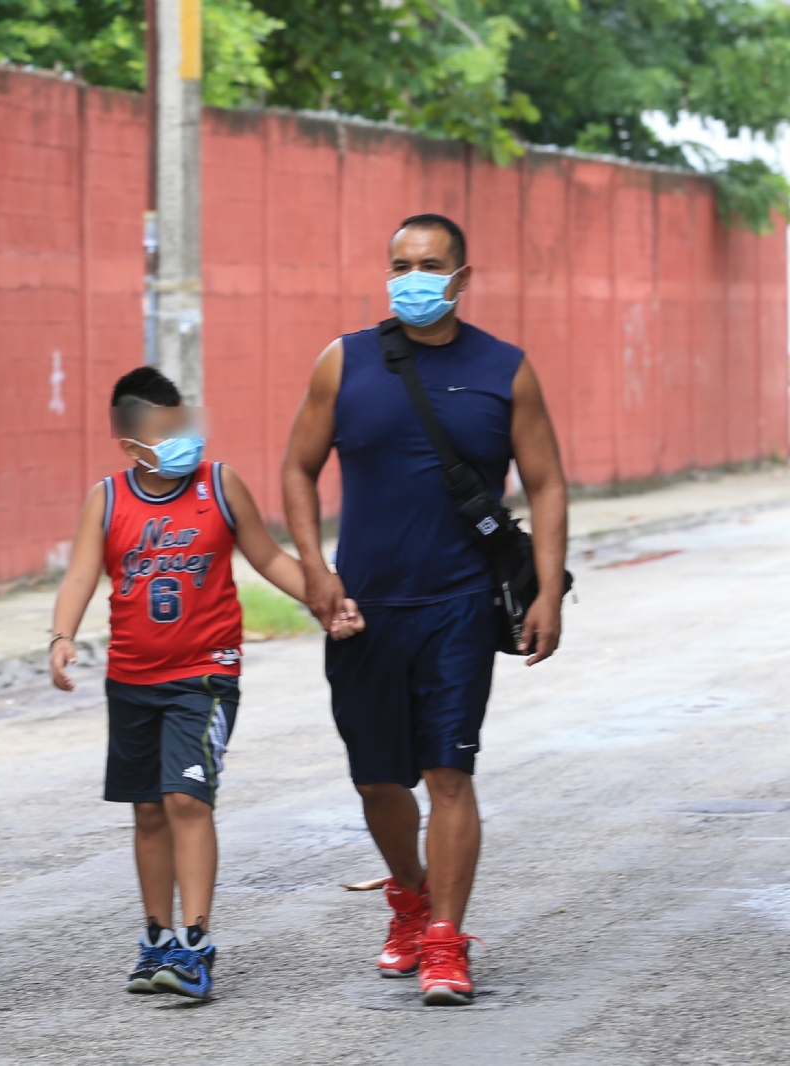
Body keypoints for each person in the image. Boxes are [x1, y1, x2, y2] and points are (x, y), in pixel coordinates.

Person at [281, 214, 569, 1005]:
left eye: (430, 263)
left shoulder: (505, 370)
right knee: (378, 780)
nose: (413, 276)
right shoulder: (345, 363)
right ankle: (408, 896)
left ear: (461, 277)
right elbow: (298, 469)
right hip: (365, 609)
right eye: (400, 263)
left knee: (449, 772)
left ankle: (445, 940)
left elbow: (544, 483)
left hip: (462, 606)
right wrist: (314, 567)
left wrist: (546, 589)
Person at [48, 367, 363, 1001]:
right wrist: (61, 636)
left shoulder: (220, 485)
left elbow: (270, 557)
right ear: (132, 443)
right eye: (165, 431)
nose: (183, 438)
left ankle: (195, 945)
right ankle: (156, 939)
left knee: (187, 800)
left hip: (206, 675)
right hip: (132, 678)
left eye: (184, 422)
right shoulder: (106, 499)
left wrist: (327, 600)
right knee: (147, 810)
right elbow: (82, 574)